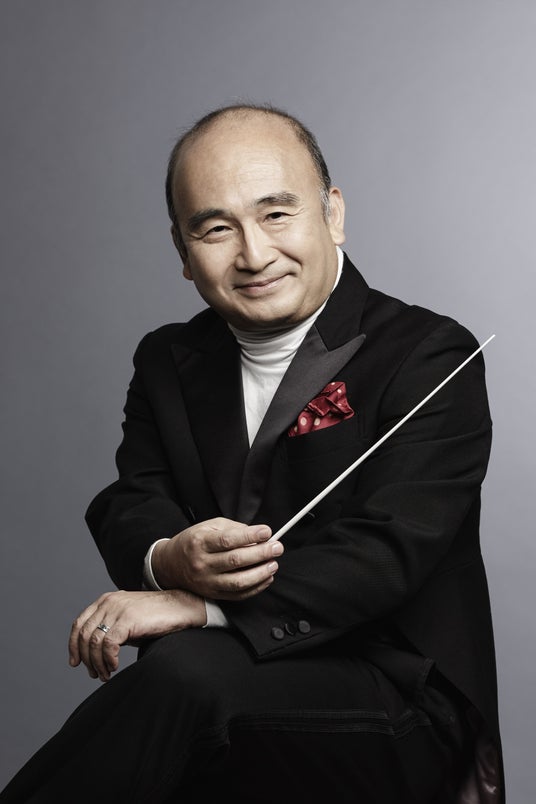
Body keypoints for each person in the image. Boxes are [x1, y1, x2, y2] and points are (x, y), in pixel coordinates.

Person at [0, 103, 504, 803]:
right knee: (187, 681)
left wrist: (197, 606)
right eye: (215, 229)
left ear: (332, 214)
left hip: (395, 697)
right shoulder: (166, 360)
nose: (254, 254)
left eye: (276, 214)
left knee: (184, 674)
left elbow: (387, 554)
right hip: (221, 683)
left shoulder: (431, 354)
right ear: (182, 252)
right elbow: (134, 498)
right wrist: (168, 559)